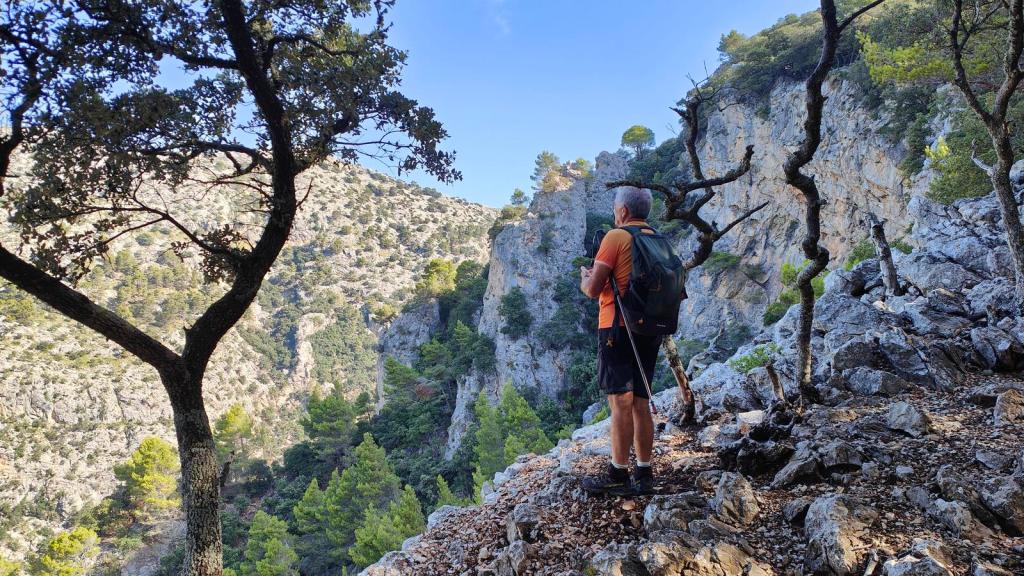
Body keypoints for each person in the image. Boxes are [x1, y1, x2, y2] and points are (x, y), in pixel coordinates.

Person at [578, 186, 662, 495]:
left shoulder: (615, 238)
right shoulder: (656, 238)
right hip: (650, 328)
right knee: (640, 401)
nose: (615, 213)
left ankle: (617, 473)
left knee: (620, 403)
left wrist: (585, 277)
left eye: (615, 209)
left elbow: (593, 289)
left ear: (623, 211)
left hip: (616, 328)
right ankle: (644, 471)